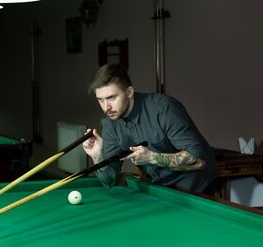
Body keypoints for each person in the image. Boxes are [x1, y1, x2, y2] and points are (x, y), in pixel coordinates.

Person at [82, 63, 219, 194]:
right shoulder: (110, 123)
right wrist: (98, 156)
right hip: (160, 188)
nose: (106, 107)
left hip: (196, 187)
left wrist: (151, 157)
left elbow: (198, 160)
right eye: (100, 100)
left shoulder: (164, 107)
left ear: (129, 92)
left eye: (111, 97)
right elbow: (109, 182)